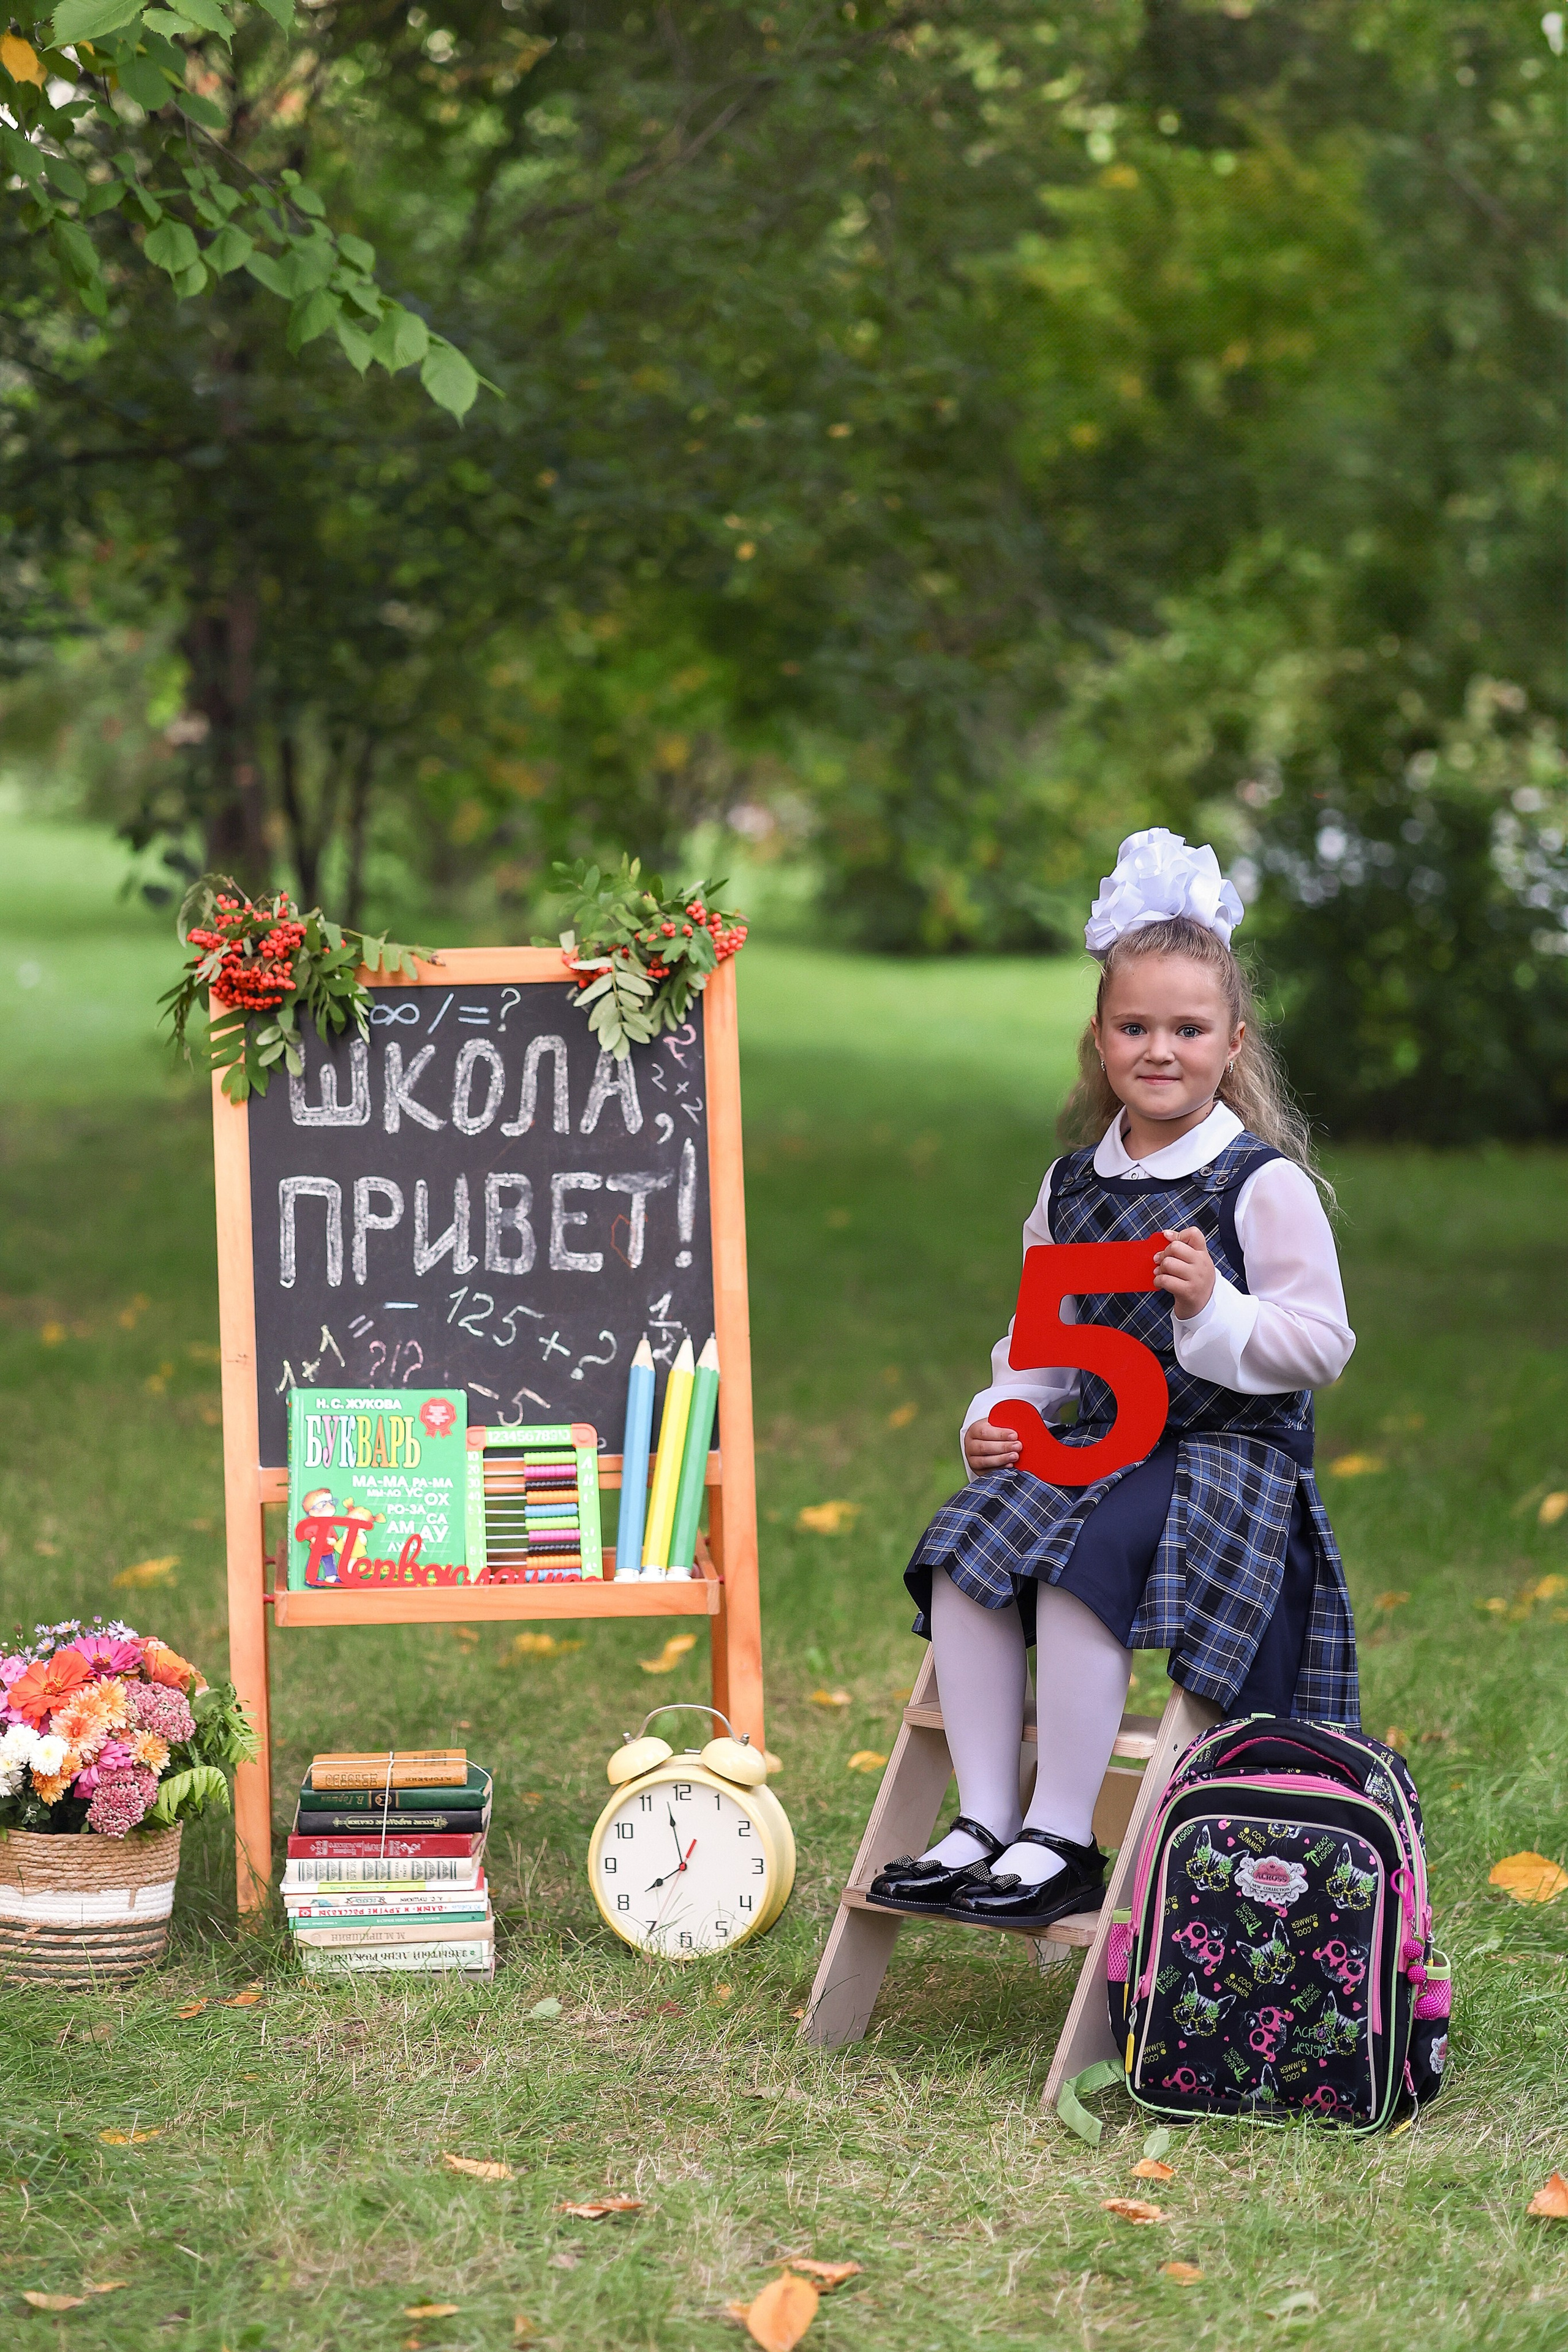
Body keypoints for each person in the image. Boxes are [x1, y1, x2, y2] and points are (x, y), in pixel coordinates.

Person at [868, 829, 1359, 1936]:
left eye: (1188, 1030)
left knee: (1085, 1559)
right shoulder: (1073, 1187)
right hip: (1108, 1442)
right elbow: (1038, 1345)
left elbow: (1321, 1342)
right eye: (1134, 1027)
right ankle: (985, 1819)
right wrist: (1001, 1420)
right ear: (1099, 1041)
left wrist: (1212, 1309)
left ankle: (1062, 1831)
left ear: (1233, 1043)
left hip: (1233, 1464)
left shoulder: (1258, 1184)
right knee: (973, 1535)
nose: (1160, 1050)